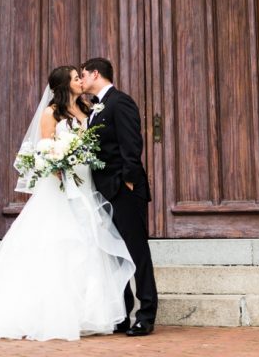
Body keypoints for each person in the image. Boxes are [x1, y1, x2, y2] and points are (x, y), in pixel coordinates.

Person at [0, 65, 135, 341]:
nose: (80, 80)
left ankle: (87, 312)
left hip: (87, 185)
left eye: (81, 77)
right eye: (75, 78)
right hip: (62, 188)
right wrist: (60, 161)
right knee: (65, 246)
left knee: (91, 244)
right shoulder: (50, 114)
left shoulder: (88, 109)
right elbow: (45, 150)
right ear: (64, 85)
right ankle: (56, 313)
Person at [80, 57, 158, 336]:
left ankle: (146, 315)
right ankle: (122, 314)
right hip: (103, 193)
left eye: (83, 75)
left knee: (137, 253)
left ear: (95, 73)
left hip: (123, 191)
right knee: (116, 255)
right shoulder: (94, 109)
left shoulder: (119, 102)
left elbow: (132, 145)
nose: (81, 80)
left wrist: (127, 182)